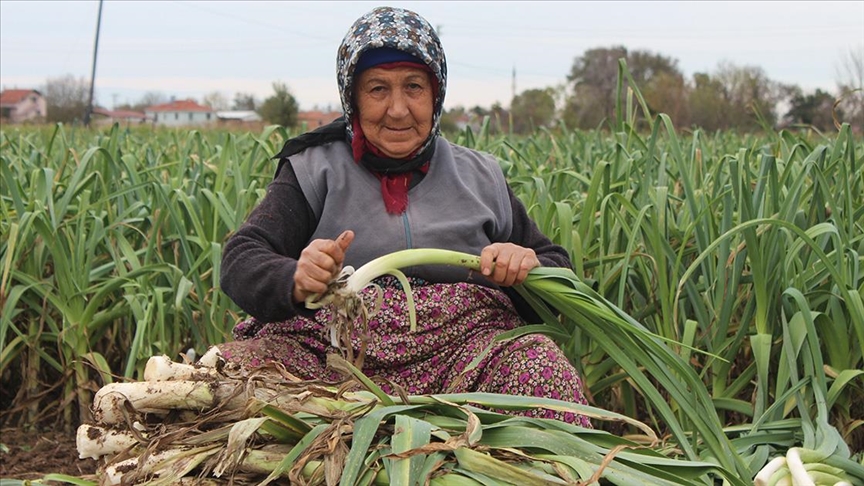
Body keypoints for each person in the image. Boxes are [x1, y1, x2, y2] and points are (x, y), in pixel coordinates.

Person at [218, 6, 590, 427]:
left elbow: (559, 271)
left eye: (413, 87)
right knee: (231, 379)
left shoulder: (479, 176)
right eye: (378, 89)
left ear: (436, 95)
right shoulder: (314, 169)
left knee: (541, 369)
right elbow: (242, 257)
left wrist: (527, 265)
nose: (398, 110)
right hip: (331, 361)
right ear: (352, 99)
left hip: (464, 359)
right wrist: (295, 277)